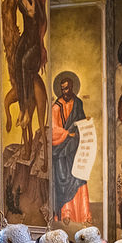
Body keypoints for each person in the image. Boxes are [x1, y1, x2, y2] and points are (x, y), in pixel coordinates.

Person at [52, 76, 92, 222]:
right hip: (61, 151)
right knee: (64, 180)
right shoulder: (56, 107)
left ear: (73, 87)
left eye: (67, 88)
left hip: (76, 149)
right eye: (62, 89)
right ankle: (65, 213)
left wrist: (85, 125)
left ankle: (83, 215)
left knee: (79, 178)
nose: (65, 92)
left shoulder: (78, 103)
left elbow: (80, 122)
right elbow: (53, 130)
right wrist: (67, 133)